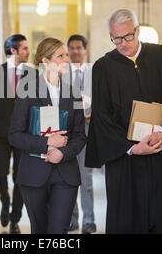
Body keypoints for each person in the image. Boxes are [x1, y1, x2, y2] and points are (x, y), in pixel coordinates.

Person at [85, 9, 162, 234]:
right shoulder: (103, 67)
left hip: (159, 152)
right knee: (125, 216)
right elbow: (102, 117)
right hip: (123, 159)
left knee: (160, 212)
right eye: (116, 38)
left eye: (127, 36)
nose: (123, 43)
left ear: (137, 30)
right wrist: (132, 148)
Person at [9, 37, 87, 234]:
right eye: (60, 56)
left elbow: (79, 136)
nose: (67, 60)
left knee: (59, 230)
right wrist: (47, 143)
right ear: (45, 61)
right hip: (34, 174)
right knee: (40, 230)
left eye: (66, 55)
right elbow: (15, 135)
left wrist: (64, 152)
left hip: (65, 174)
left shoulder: (74, 93)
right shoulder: (27, 91)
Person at [0, 34, 37, 234]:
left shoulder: (33, 74)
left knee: (20, 177)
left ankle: (15, 218)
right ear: (13, 51)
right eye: (25, 48)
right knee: (1, 173)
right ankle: (5, 202)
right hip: (1, 133)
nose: (28, 52)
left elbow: (38, 105)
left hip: (24, 134)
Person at [66, 34, 96, 234]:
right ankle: (71, 219)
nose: (75, 51)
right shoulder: (61, 73)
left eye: (79, 47)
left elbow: (103, 98)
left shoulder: (96, 72)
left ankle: (89, 220)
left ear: (85, 49)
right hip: (66, 130)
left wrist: (95, 113)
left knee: (86, 177)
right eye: (72, 48)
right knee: (68, 177)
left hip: (87, 129)